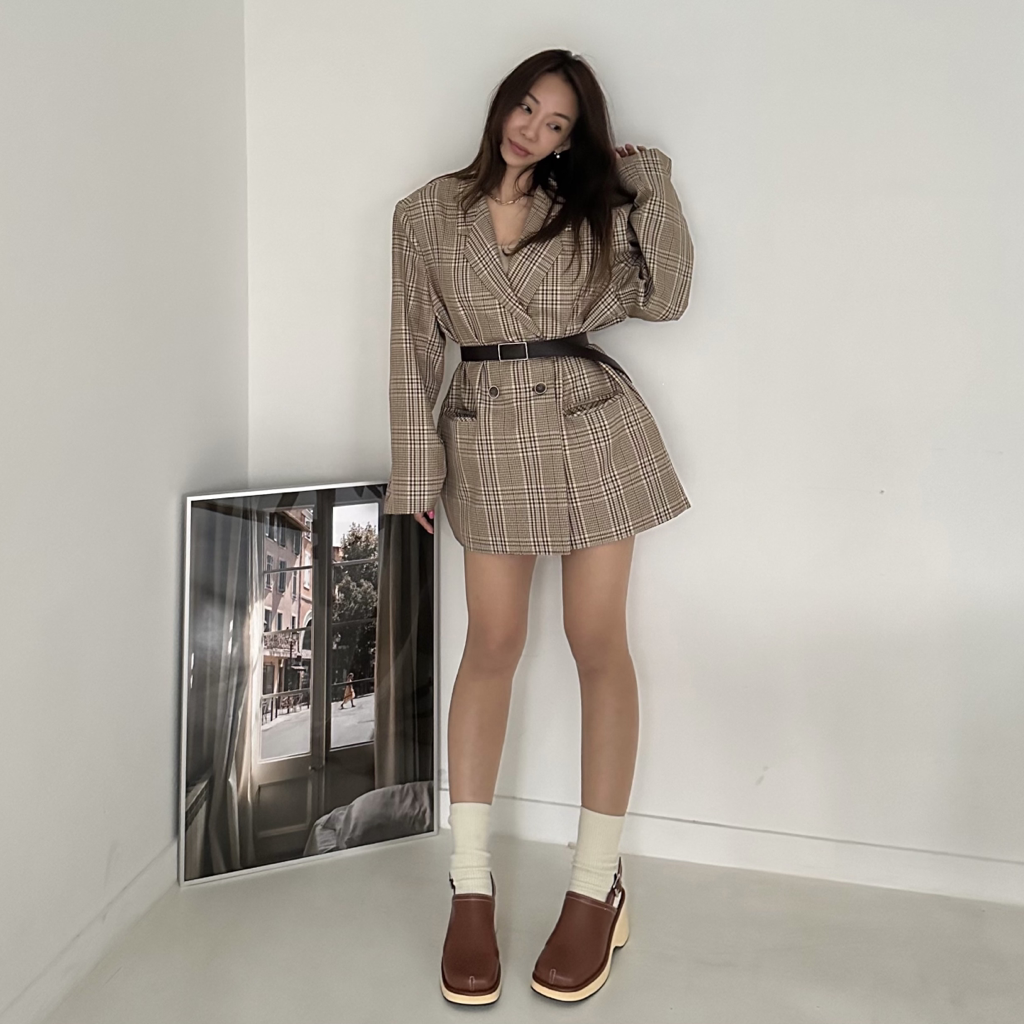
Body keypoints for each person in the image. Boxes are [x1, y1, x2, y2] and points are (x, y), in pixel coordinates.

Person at [383, 48, 694, 1004]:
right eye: (527, 107)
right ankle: (470, 885)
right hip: (484, 435)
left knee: (598, 645)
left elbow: (667, 296)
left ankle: (596, 886)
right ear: (502, 104)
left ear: (572, 139)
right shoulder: (424, 214)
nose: (534, 130)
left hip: (592, 430)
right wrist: (416, 469)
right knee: (492, 646)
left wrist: (652, 186)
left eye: (558, 124)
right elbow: (410, 348)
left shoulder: (591, 207)